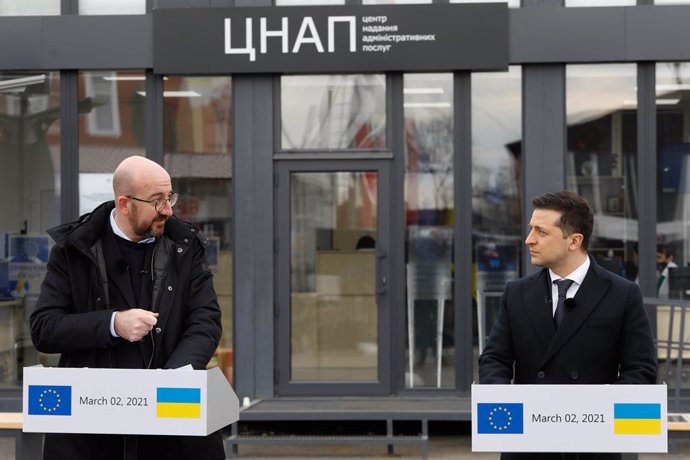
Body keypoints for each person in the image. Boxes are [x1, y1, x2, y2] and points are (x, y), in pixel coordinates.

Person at [30, 156, 224, 460]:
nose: (169, 210)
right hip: (90, 428)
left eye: (170, 197)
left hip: (172, 423)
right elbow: (44, 328)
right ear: (124, 204)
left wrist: (172, 380)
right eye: (157, 201)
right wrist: (113, 323)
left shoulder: (186, 246)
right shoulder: (72, 250)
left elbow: (206, 320)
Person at [478, 190, 657, 460]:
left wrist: (595, 411)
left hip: (594, 445)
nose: (529, 240)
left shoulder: (622, 293)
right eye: (530, 230)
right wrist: (501, 398)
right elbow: (494, 358)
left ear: (574, 241)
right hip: (529, 443)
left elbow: (641, 369)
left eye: (541, 231)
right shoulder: (516, 293)